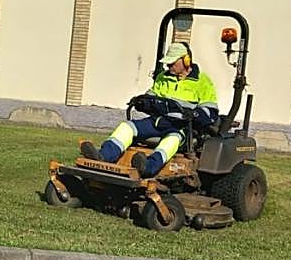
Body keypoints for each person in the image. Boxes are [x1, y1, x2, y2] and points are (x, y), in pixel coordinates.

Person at [80, 41, 218, 178]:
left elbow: (210, 112)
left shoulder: (203, 82)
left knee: (171, 141)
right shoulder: (162, 77)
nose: (168, 66)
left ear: (186, 60)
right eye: (167, 63)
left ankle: (148, 167)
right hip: (157, 121)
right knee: (127, 127)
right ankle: (102, 157)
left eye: (172, 63)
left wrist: (194, 114)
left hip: (180, 127)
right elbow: (150, 98)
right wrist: (141, 102)